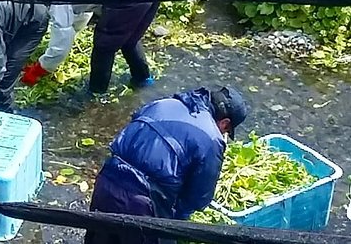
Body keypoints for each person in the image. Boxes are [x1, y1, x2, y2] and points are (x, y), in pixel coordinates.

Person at [84, 85, 248, 244]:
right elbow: (198, 198)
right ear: (225, 123)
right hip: (141, 203)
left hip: (105, 182)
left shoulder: (164, 103)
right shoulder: (212, 137)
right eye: (226, 131)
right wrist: (176, 224)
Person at [19, 0, 163, 95]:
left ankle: (96, 95)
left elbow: (61, 43)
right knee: (130, 39)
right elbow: (81, 13)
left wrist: (40, 69)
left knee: (104, 45)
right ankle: (144, 80)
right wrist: (71, 35)